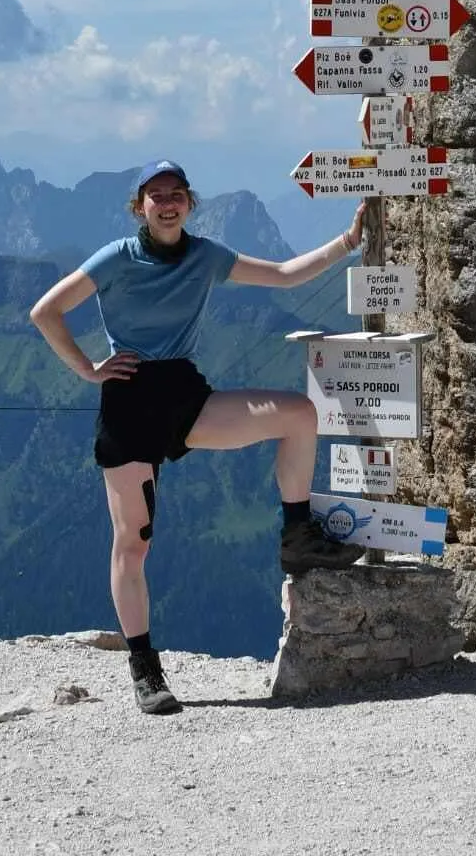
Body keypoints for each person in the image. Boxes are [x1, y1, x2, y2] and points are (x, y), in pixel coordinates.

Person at [29, 158, 366, 717]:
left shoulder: (205, 255)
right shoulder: (117, 257)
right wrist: (89, 370)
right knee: (133, 542)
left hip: (185, 395)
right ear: (140, 206)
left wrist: (347, 242)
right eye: (155, 194)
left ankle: (298, 534)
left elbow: (282, 276)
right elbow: (46, 312)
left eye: (176, 193)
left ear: (189, 202)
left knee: (300, 414)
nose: (167, 202)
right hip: (130, 401)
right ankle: (145, 670)